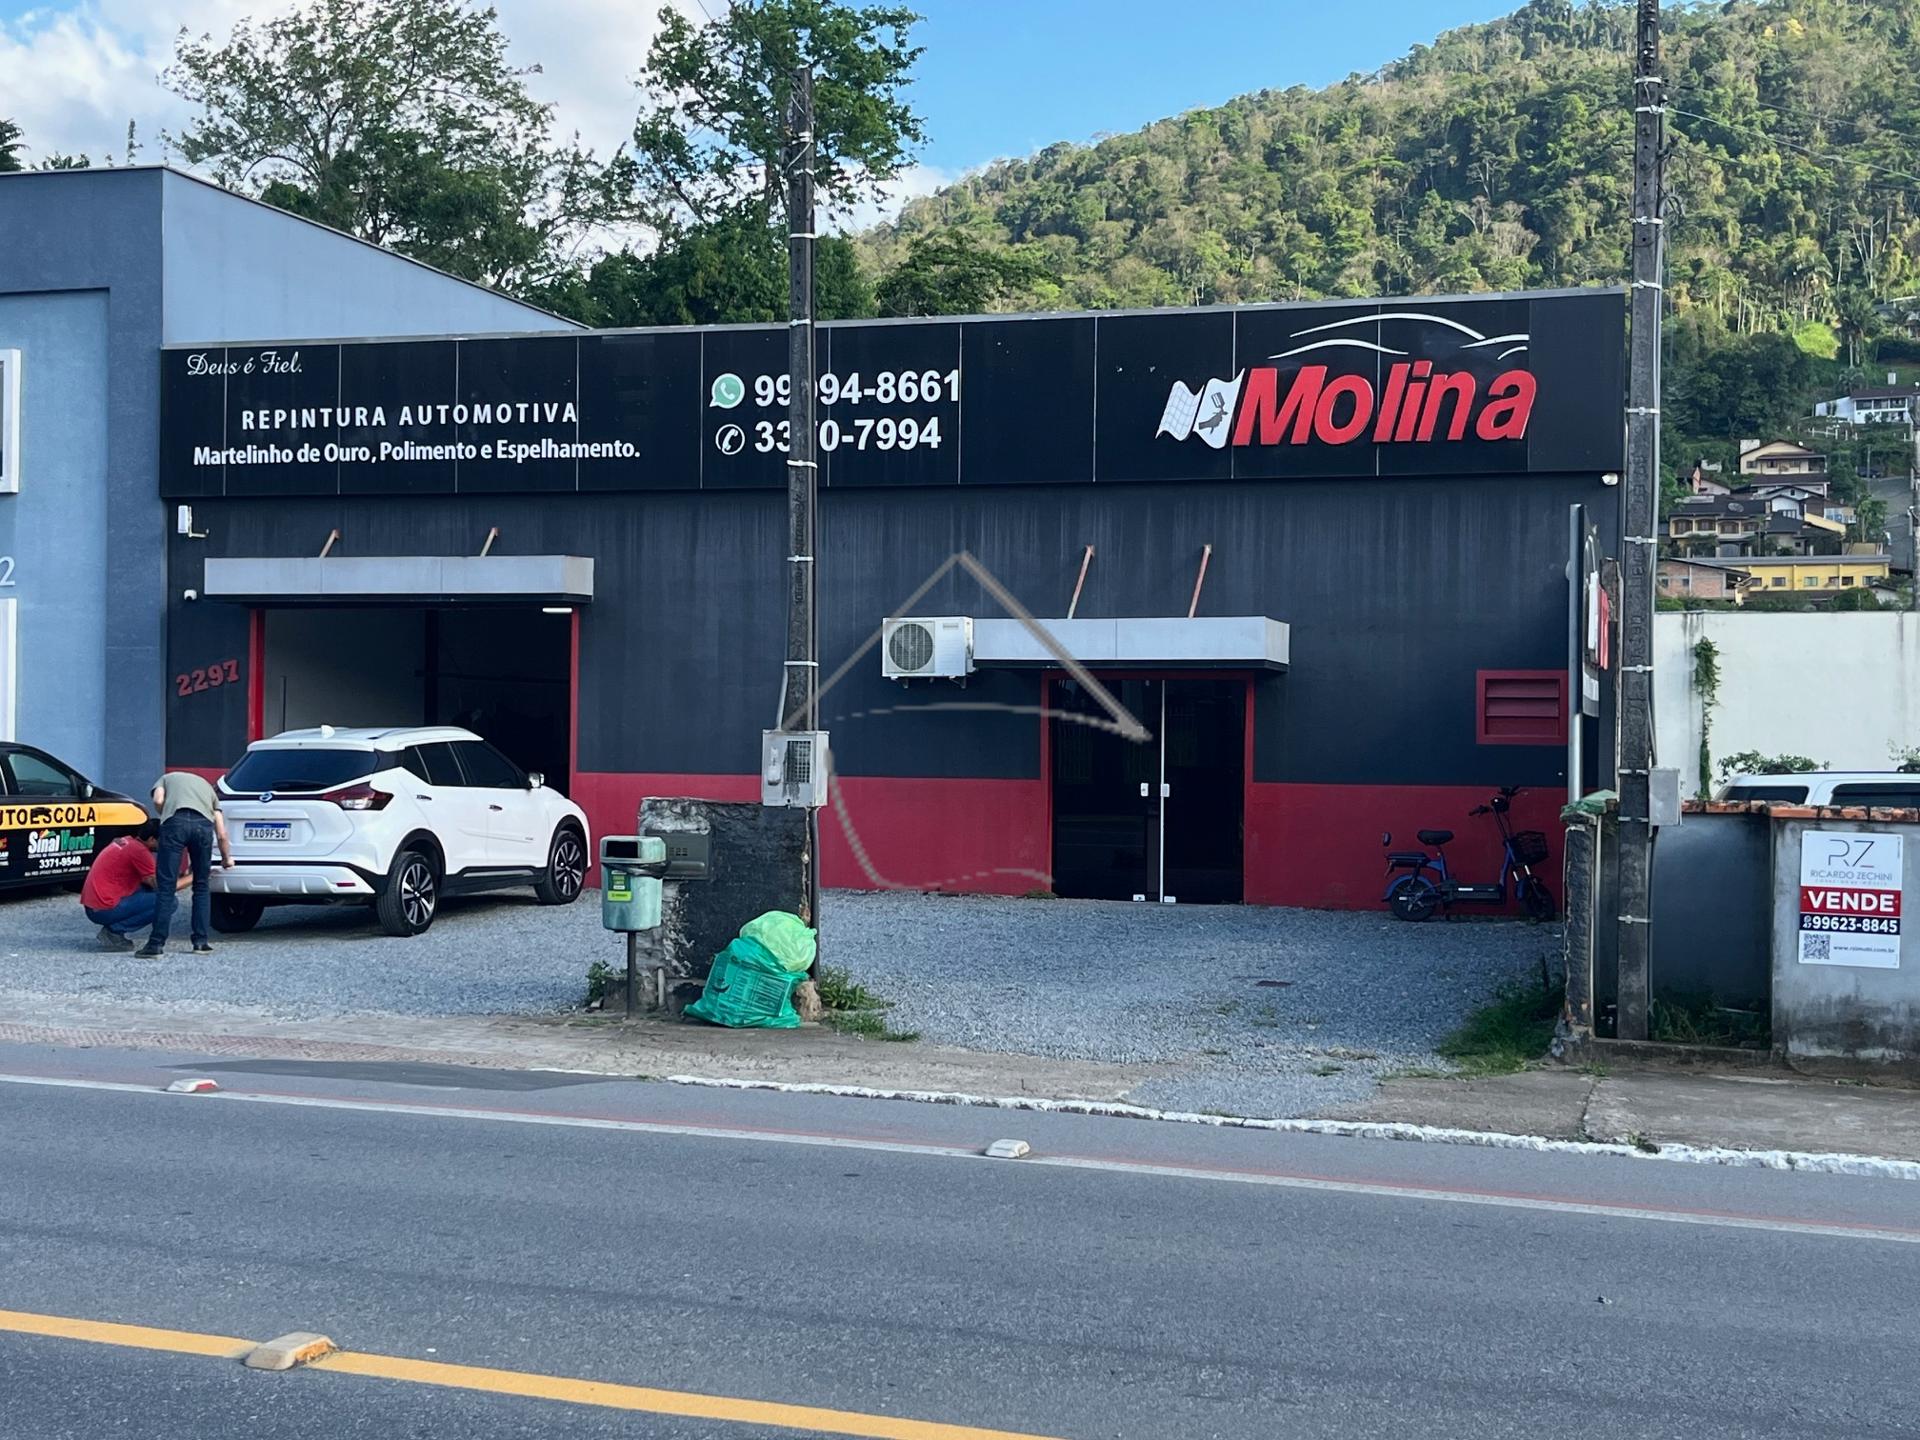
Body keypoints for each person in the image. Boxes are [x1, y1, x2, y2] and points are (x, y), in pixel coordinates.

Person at [135, 771, 234, 958]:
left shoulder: (166, 778)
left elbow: (157, 800)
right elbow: (221, 833)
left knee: (166, 887)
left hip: (174, 824)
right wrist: (226, 858)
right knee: (202, 887)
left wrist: (165, 816)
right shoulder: (208, 789)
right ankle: (201, 943)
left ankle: (156, 945)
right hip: (203, 827)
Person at [80, 819, 189, 950]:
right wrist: (196, 877)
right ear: (152, 839)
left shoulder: (128, 842)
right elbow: (164, 888)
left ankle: (113, 930)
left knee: (149, 890)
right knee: (169, 902)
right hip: (102, 909)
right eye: (164, 841)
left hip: (94, 905)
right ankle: (113, 932)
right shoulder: (140, 852)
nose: (166, 845)